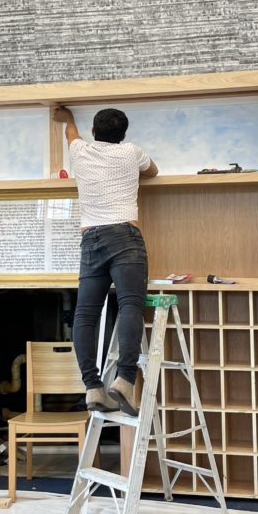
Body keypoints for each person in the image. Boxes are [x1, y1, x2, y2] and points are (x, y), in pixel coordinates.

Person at [52, 106, 158, 416]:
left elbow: (71, 132)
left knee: (85, 313)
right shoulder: (131, 152)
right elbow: (153, 172)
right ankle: (124, 380)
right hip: (125, 237)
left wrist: (69, 120)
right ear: (123, 135)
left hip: (91, 239)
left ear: (94, 133)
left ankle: (93, 387)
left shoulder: (79, 149)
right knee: (129, 306)